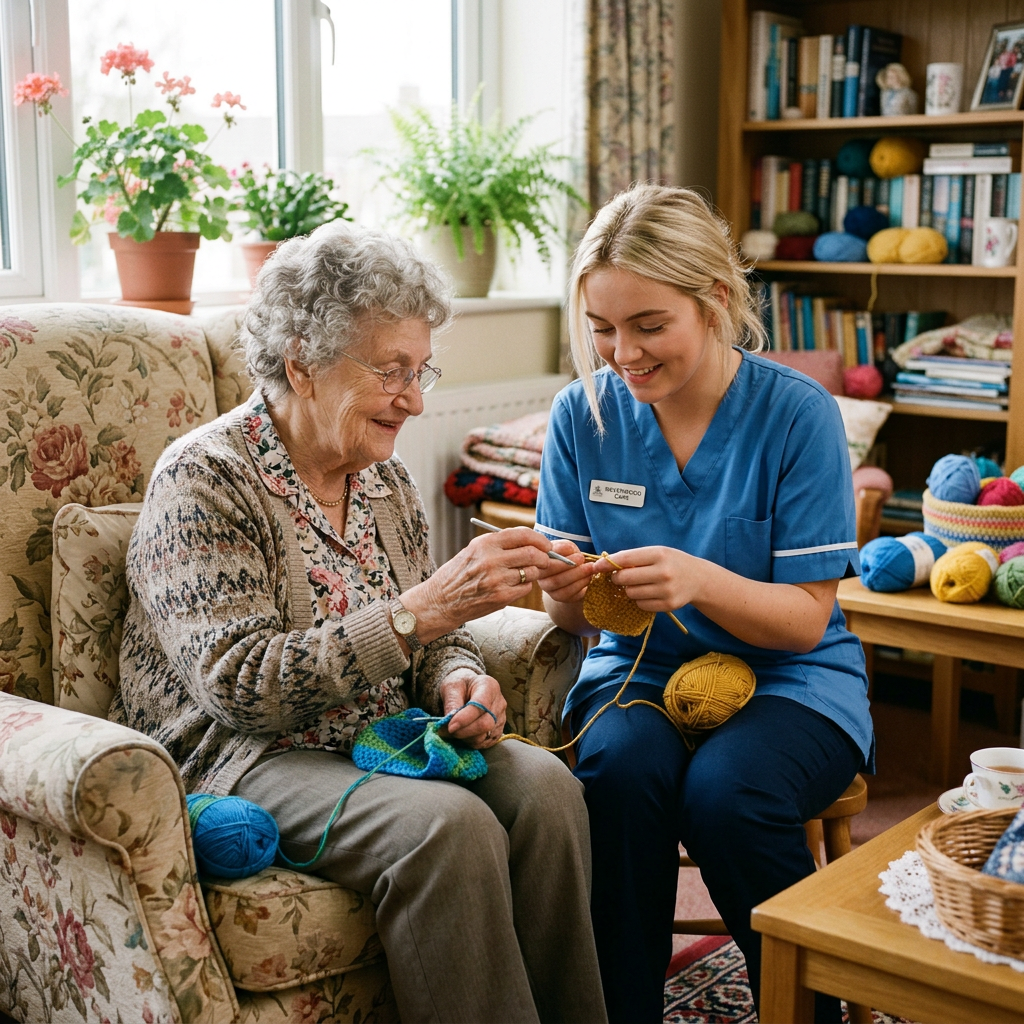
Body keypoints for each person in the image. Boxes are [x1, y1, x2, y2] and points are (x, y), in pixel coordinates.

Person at [109, 225, 607, 1024]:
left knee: (548, 790)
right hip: (244, 754)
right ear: (301, 364)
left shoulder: (383, 479)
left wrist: (458, 676)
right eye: (390, 370)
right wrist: (420, 615)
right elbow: (241, 688)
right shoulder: (205, 480)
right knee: (444, 828)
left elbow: (434, 632)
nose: (414, 398)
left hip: (379, 734)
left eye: (421, 370)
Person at [532, 184, 873, 1024]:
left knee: (728, 795)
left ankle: (807, 1010)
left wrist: (699, 579)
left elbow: (802, 619)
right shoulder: (583, 414)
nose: (623, 354)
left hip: (794, 680)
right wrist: (563, 590)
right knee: (617, 773)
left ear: (715, 299)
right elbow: (573, 624)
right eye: (603, 328)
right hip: (639, 672)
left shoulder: (797, 415)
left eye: (649, 326)